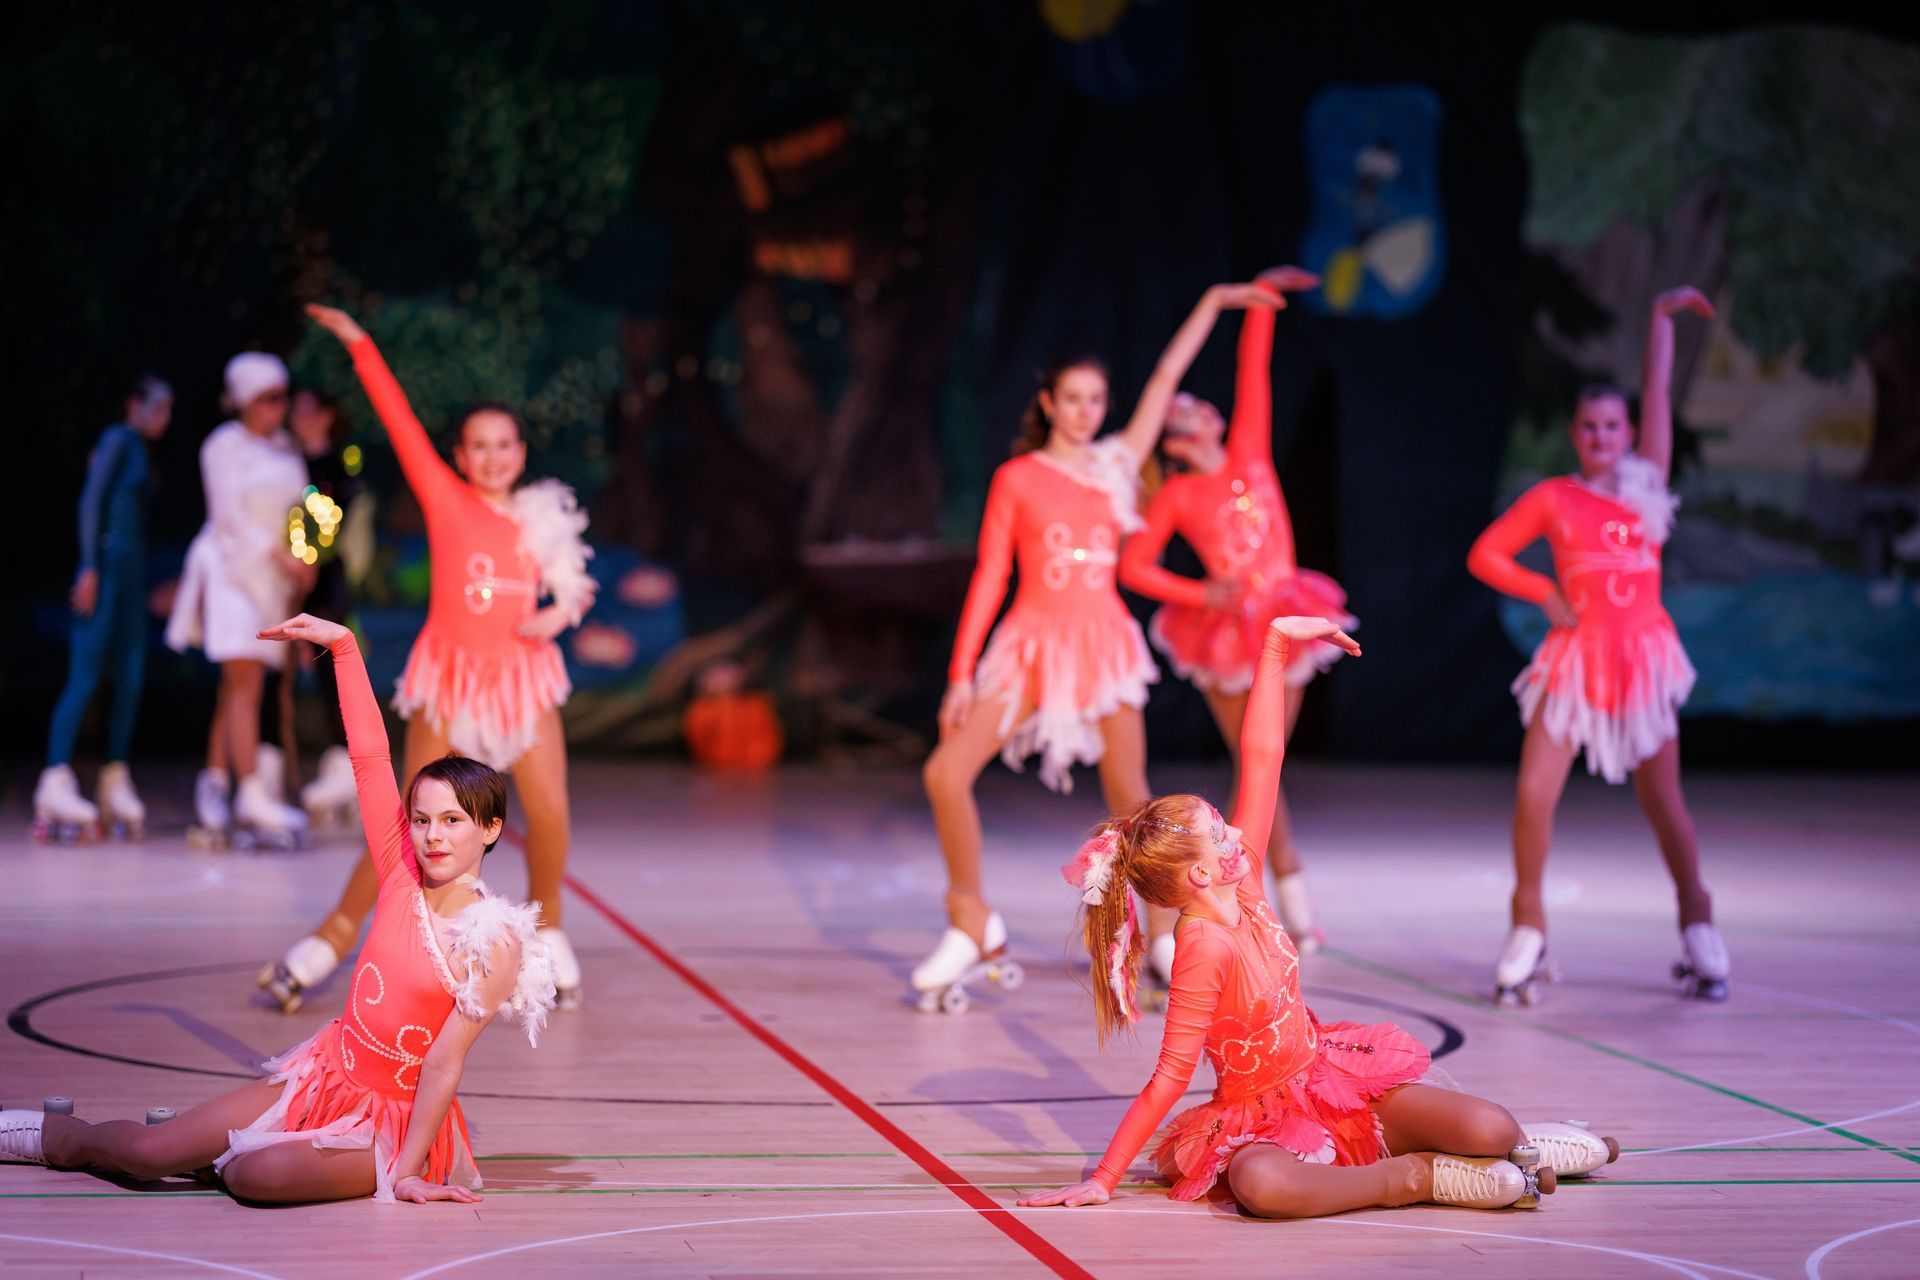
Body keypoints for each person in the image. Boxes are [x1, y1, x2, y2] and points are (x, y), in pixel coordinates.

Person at [1017, 618, 1618, 1217]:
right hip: (1260, 1118)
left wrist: (1275, 644)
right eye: (1219, 833)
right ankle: (1421, 1176)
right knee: (1265, 1187)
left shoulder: (1244, 877)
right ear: (1199, 874)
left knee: (1490, 1125)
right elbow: (1170, 1077)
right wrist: (1104, 1178)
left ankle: (1517, 1146)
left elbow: (1262, 757)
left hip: (1327, 1077)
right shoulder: (1202, 947)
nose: (1235, 833)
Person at [0, 613, 555, 1204]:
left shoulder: (495, 943)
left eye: (452, 821)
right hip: (323, 1075)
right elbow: (370, 757)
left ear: (491, 828)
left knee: (253, 1177)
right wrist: (344, 647)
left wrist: (408, 1172)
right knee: (145, 1155)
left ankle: (220, 1152)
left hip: (390, 1128)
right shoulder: (399, 874)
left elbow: (443, 1065)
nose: (433, 836)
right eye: (421, 820)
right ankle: (57, 1135)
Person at [913, 278, 1298, 1009]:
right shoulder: (1018, 478)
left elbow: (1166, 376)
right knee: (945, 772)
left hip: (1104, 649)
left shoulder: (1118, 464)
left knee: (1135, 802)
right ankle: (970, 918)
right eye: (1073, 399)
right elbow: (992, 576)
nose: (1086, 411)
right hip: (1031, 648)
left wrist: (1213, 304)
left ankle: (1163, 940)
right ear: (1048, 404)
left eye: (1096, 399)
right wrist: (961, 674)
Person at [262, 305, 595, 1014]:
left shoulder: (540, 518)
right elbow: (401, 421)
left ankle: (550, 933)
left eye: (504, 445)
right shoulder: (447, 499)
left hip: (521, 684)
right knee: (409, 826)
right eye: (479, 446)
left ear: (521, 452)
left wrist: (559, 611)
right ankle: (330, 938)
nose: (493, 457)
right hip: (450, 682)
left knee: (550, 813)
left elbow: (572, 584)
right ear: (461, 456)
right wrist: (359, 344)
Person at [1467, 287, 1728, 1003]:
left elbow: (1659, 392)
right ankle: (1528, 925)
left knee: (1664, 802)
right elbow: (1486, 554)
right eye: (1589, 427)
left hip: (1640, 663)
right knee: (1534, 794)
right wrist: (1543, 592)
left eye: (1613, 426)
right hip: (1576, 662)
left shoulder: (1647, 483)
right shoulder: (1555, 497)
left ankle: (1698, 922)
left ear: (1628, 432)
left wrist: (1659, 321)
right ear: (1575, 435)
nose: (1602, 436)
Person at [1119, 268, 1350, 967]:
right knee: (1258, 768)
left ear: (1216, 422)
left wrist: (1260, 304)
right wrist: (1200, 594)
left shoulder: (1248, 448)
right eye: (1180, 411)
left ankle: (1280, 898)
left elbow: (1255, 373)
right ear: (1173, 440)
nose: (1192, 410)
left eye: (1198, 404)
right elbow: (1135, 566)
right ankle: (1279, 905)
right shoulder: (1177, 495)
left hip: (1285, 615)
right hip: (1224, 636)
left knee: (1265, 768)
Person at [165, 353, 315, 847]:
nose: (279, 406)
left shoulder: (286, 448)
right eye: (269, 398)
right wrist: (280, 555)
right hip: (230, 570)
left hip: (272, 579)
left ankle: (214, 783)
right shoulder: (222, 446)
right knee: (243, 678)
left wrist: (302, 557)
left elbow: (302, 510)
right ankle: (249, 791)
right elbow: (227, 514)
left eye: (283, 396)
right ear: (246, 400)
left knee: (238, 686)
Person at [33, 376, 173, 841]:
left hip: (133, 574)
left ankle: (114, 776)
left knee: (130, 676)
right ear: (134, 404)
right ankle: (54, 776)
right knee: (85, 674)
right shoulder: (117, 439)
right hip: (107, 568)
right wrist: (89, 568)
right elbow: (91, 501)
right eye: (157, 407)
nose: (164, 418)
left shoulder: (142, 450)